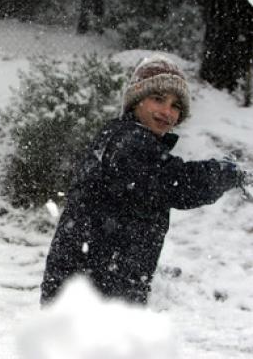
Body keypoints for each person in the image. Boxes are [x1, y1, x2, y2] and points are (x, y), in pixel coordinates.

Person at [40, 54, 248, 305]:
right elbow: (177, 183)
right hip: (91, 297)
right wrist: (225, 172)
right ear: (136, 101)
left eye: (175, 106)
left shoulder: (120, 139)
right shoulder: (129, 142)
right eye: (158, 99)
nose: (167, 112)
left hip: (90, 288)